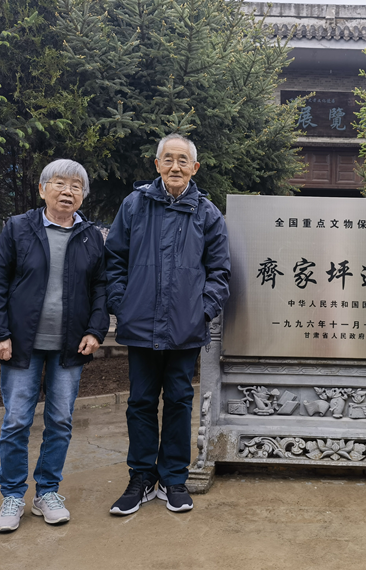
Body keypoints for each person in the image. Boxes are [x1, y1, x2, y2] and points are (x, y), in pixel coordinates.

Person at [105, 134, 230, 515]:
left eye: (182, 160)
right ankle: (141, 478)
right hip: (140, 325)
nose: (175, 166)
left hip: (184, 328)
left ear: (195, 167)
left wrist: (201, 312)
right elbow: (114, 260)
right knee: (141, 402)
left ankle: (174, 478)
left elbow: (220, 272)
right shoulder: (134, 205)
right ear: (157, 164)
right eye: (168, 159)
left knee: (178, 401)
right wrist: (122, 305)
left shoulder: (207, 214)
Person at [0, 160, 109, 532]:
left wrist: (96, 330)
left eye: (76, 186)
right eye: (59, 183)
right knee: (16, 421)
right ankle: (12, 496)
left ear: (83, 195)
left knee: (61, 421)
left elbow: (100, 287)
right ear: (42, 189)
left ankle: (47, 492)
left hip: (70, 346)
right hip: (21, 344)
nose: (67, 191)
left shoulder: (90, 237)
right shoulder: (18, 228)